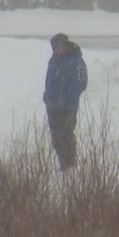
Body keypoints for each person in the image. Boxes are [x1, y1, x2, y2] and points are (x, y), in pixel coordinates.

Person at [43, 33, 87, 170]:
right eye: (55, 47)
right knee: (56, 138)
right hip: (52, 106)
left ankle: (70, 164)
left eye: (60, 46)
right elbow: (49, 82)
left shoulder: (75, 61)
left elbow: (80, 83)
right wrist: (47, 97)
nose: (57, 49)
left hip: (68, 107)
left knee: (66, 135)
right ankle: (63, 163)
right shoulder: (53, 61)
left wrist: (66, 99)